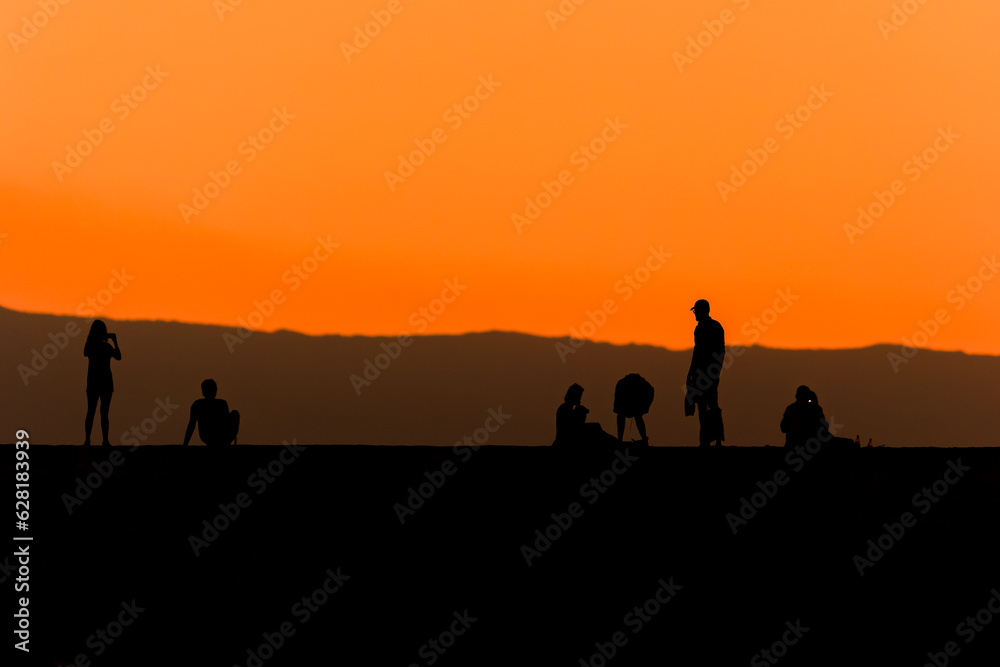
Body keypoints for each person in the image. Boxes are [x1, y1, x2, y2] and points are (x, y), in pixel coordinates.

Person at [685, 299, 725, 447]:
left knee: (708, 404)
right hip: (706, 373)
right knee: (707, 404)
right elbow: (698, 352)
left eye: (696, 311)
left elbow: (716, 351)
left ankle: (710, 441)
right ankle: (709, 440)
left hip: (706, 373)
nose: (695, 314)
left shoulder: (708, 328)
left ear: (702, 311)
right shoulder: (709, 327)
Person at [780, 386, 857, 449]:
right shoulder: (815, 409)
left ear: (796, 397)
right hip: (811, 447)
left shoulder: (790, 409)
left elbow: (783, 428)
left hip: (793, 446)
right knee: (848, 443)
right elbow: (823, 429)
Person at [83, 320, 121, 446]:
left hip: (93, 382)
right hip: (106, 382)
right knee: (104, 413)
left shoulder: (91, 347)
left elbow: (85, 352)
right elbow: (118, 356)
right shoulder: (106, 347)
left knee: (91, 411)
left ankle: (87, 440)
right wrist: (114, 341)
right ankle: (105, 440)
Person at [552, 384, 617, 448]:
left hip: (570, 436)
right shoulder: (565, 408)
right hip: (566, 439)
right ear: (574, 396)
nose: (580, 398)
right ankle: (616, 442)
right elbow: (573, 427)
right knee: (595, 427)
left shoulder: (568, 407)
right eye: (579, 396)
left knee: (596, 427)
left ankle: (615, 441)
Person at [183, 379, 240, 446]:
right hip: (209, 436)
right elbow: (191, 425)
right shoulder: (199, 405)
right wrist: (185, 444)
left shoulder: (198, 404)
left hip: (216, 436)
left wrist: (185, 444)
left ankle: (225, 443)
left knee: (235, 413)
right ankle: (225, 443)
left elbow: (191, 425)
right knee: (235, 414)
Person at [613, 373, 653, 444]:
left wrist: (643, 407)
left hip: (635, 400)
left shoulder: (644, 386)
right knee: (623, 415)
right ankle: (620, 439)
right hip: (626, 400)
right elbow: (617, 403)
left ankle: (642, 438)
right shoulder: (622, 384)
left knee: (636, 416)